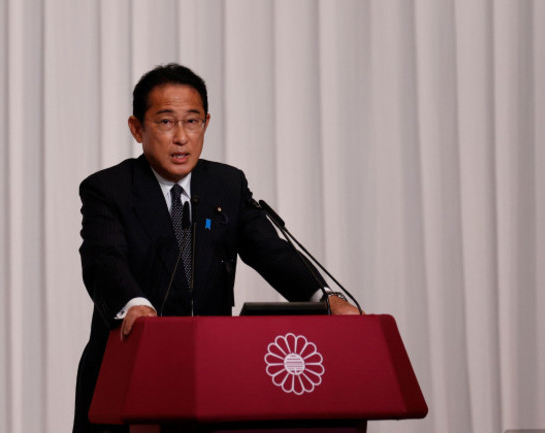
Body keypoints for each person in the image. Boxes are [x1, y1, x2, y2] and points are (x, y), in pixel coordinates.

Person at [73, 63, 359, 433]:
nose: (181, 137)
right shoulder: (108, 189)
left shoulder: (227, 184)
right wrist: (135, 305)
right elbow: (103, 259)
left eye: (192, 122)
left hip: (210, 378)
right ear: (136, 128)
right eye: (165, 122)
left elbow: (270, 252)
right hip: (129, 374)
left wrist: (324, 297)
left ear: (205, 123)